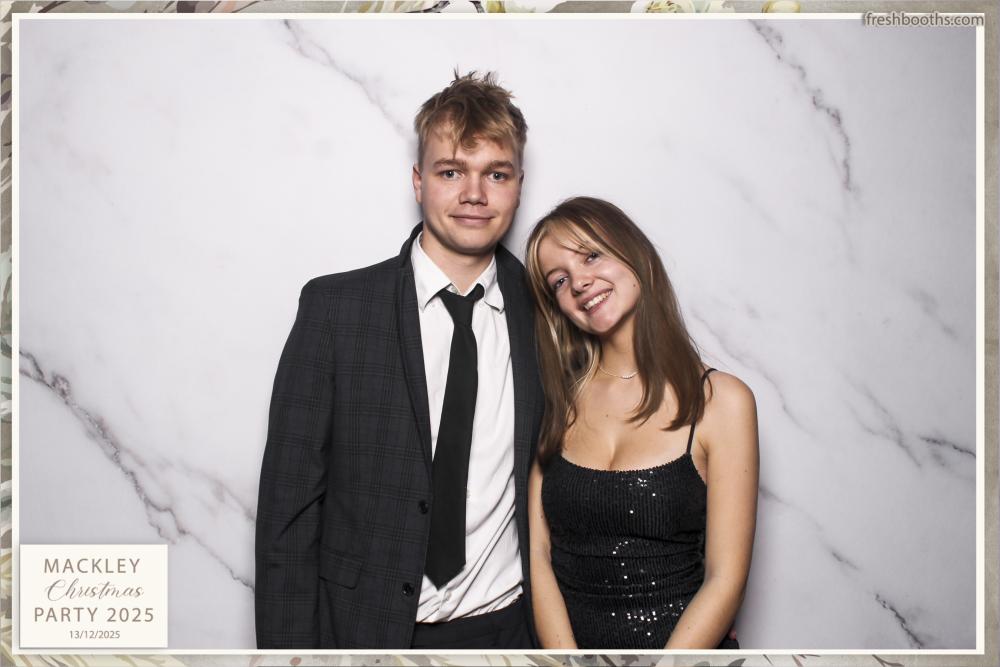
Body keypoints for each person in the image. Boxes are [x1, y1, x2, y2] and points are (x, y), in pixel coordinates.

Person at [254, 72, 543, 649]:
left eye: (496, 174)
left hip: (509, 632)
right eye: (450, 172)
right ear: (418, 181)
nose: (474, 194)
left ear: (518, 186)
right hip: (366, 633)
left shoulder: (548, 314)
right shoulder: (336, 310)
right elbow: (288, 507)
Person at [524, 196, 759, 650]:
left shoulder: (723, 402)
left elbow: (726, 579)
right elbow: (538, 556)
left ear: (635, 253)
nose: (579, 282)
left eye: (591, 255)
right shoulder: (555, 400)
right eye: (559, 280)